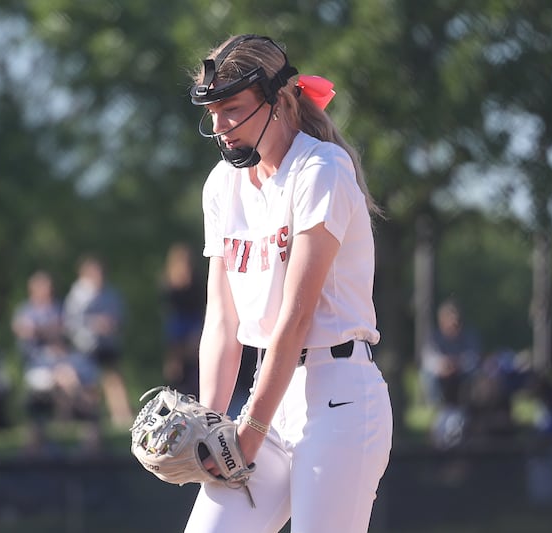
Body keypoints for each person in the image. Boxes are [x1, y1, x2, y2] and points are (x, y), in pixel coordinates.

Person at [182, 34, 393, 533]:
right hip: (270, 395)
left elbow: (296, 318)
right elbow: (221, 321)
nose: (218, 126)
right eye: (211, 111)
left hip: (338, 397)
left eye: (231, 108)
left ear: (279, 100)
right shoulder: (222, 185)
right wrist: (207, 427)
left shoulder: (321, 169)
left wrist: (248, 433)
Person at [63, 255, 133, 427]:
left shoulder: (109, 293)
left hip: (107, 343)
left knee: (114, 379)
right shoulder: (78, 295)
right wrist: (95, 324)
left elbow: (120, 317)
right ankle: (90, 418)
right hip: (86, 345)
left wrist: (112, 324)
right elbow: (70, 322)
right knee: (89, 383)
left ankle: (122, 416)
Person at [419, 298, 481, 446]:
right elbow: (429, 360)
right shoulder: (434, 338)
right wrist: (443, 365)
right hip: (441, 381)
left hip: (462, 379)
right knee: (428, 376)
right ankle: (435, 407)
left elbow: (473, 358)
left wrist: (456, 364)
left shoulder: (468, 336)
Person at [161, 242, 206, 398]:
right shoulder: (168, 283)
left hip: (193, 322)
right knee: (177, 365)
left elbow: (201, 305)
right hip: (178, 324)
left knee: (193, 360)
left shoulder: (197, 281)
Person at [11, 270, 64, 362]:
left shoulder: (57, 307)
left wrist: (38, 330)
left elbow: (63, 328)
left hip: (60, 353)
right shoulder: (25, 310)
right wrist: (46, 330)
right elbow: (20, 331)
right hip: (34, 356)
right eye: (42, 287)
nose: (47, 291)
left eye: (48, 288)